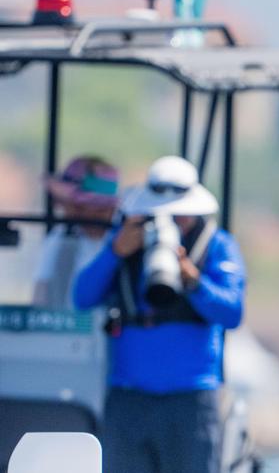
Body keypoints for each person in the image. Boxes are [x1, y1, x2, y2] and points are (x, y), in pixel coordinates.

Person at [73, 155, 245, 473]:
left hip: (191, 400)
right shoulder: (126, 242)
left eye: (179, 215)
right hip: (129, 398)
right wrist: (115, 253)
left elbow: (232, 313)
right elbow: (82, 297)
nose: (170, 222)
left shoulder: (217, 246)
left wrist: (193, 280)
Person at [32, 155, 119, 308]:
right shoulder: (61, 236)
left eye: (74, 204)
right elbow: (41, 296)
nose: (64, 208)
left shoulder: (123, 243)